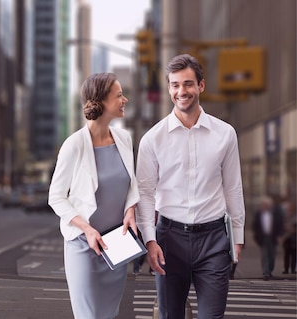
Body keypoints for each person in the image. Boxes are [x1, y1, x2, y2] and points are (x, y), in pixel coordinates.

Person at [136, 54, 246, 318]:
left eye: (187, 84)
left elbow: (233, 187)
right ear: (169, 88)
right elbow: (145, 195)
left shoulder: (225, 134)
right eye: (174, 85)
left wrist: (238, 236)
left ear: (201, 86)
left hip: (214, 240)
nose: (181, 91)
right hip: (168, 240)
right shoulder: (153, 139)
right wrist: (150, 241)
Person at [48, 72, 139, 318]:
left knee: (109, 314)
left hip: (116, 245)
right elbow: (56, 197)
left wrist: (131, 210)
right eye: (119, 95)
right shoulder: (74, 144)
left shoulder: (124, 138)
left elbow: (131, 184)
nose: (124, 100)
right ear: (102, 101)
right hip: (83, 245)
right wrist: (87, 230)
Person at [253, 195, 285, 280]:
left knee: (272, 255)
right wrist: (257, 236)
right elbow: (255, 226)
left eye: (267, 204)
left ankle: (270, 270)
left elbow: (280, 225)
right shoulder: (258, 214)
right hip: (263, 237)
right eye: (264, 204)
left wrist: (280, 235)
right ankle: (266, 272)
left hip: (273, 237)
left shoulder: (275, 213)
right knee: (265, 255)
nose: (265, 206)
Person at [282, 201, 296, 274]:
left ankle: (293, 269)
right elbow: (282, 225)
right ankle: (286, 269)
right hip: (287, 237)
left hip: (294, 237)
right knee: (286, 254)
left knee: (294, 254)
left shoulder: (295, 216)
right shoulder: (286, 216)